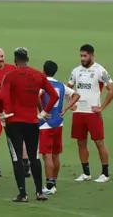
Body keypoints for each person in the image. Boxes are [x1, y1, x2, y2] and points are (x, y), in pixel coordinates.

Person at [0, 48, 59, 202]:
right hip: (32, 121)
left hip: (13, 121)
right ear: (28, 59)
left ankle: (23, 194)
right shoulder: (38, 74)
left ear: (15, 60)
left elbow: (1, 97)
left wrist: (1, 113)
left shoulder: (10, 75)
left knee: (17, 157)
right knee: (34, 157)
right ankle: (39, 192)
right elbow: (54, 95)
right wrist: (44, 112)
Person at [68, 44, 113, 183]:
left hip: (92, 113)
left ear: (92, 56)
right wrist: (71, 104)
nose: (82, 58)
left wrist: (102, 107)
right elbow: (67, 88)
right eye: (81, 55)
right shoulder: (76, 71)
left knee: (99, 142)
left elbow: (112, 90)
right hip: (79, 113)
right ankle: (86, 173)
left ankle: (105, 174)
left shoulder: (100, 71)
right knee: (81, 143)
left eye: (85, 56)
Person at [0, 47, 30, 177]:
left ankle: (25, 166)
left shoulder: (12, 69)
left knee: (19, 138)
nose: (0, 59)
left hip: (12, 110)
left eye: (2, 56)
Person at [39, 61, 80, 195]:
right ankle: (54, 183)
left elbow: (37, 96)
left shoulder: (43, 84)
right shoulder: (61, 85)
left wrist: (41, 111)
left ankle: (49, 186)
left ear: (44, 71)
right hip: (58, 122)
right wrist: (66, 108)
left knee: (47, 155)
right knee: (56, 154)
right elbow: (76, 95)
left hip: (45, 124)